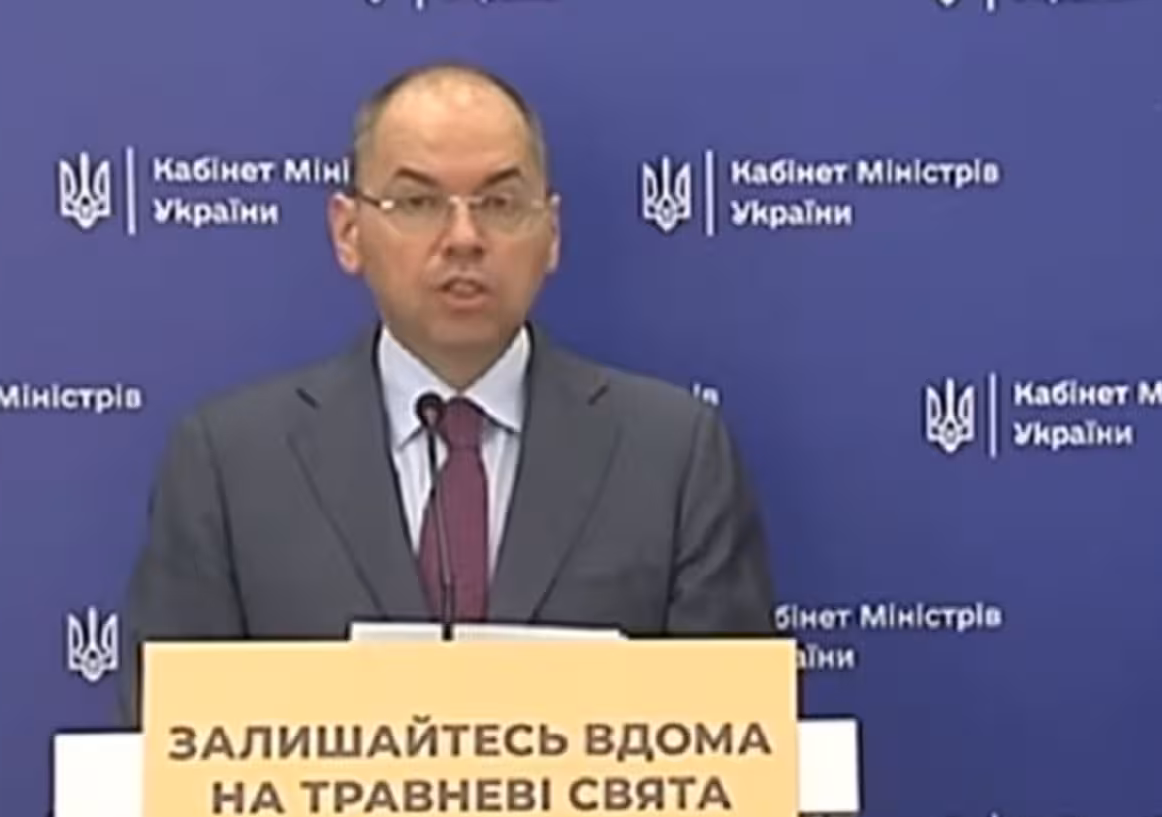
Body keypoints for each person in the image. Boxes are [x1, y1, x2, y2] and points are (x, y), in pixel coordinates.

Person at [116, 61, 775, 723]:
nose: (464, 239)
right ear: (348, 232)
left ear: (551, 233)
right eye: (418, 203)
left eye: (500, 204)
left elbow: (732, 743)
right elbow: (173, 748)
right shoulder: (230, 466)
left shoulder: (673, 456)